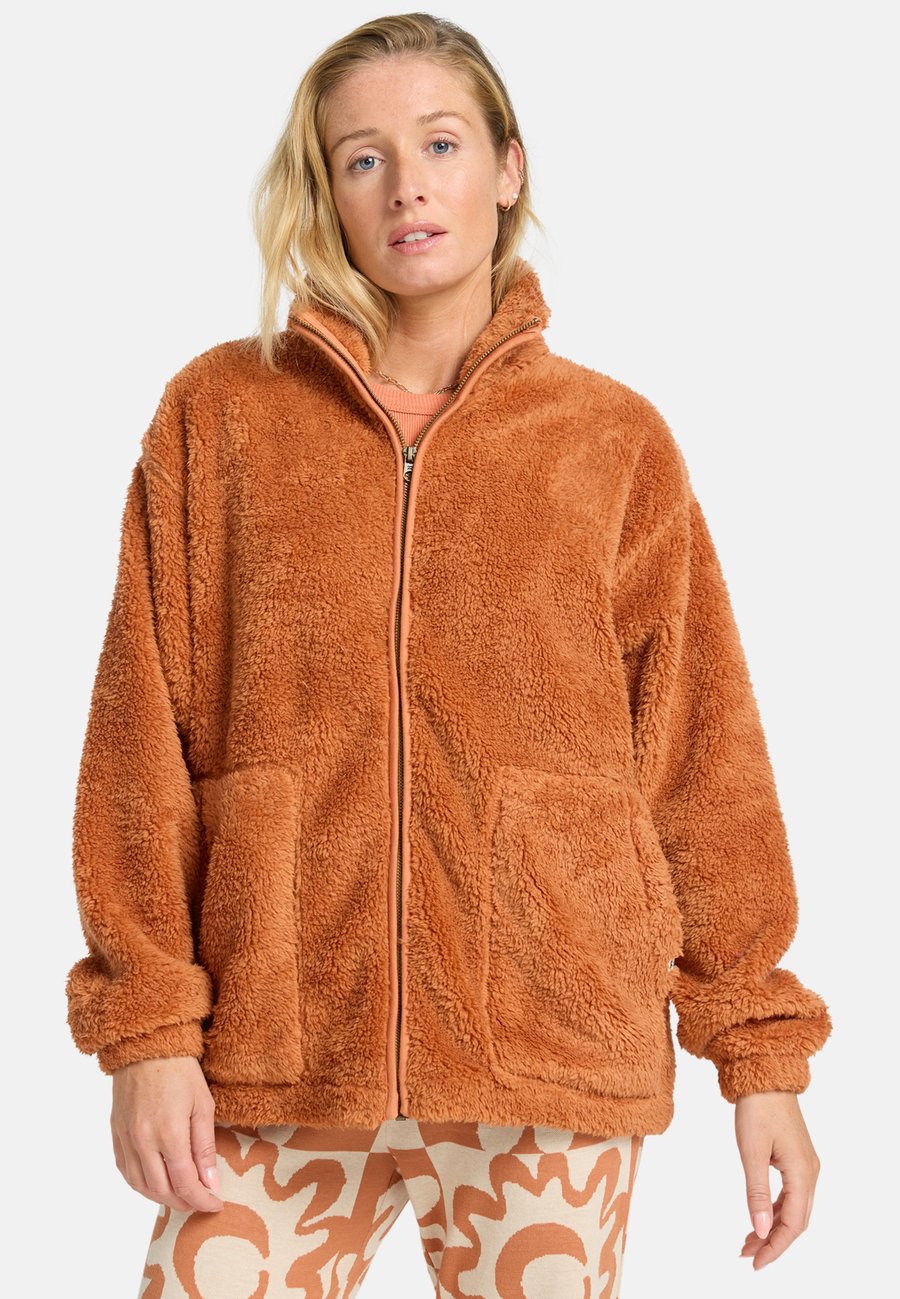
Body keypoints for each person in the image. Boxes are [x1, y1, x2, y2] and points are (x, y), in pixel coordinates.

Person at [65, 13, 832, 1297]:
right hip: (276, 1044)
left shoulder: (611, 442)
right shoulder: (222, 416)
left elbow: (704, 761)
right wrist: (148, 1028)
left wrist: (760, 1060)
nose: (406, 186)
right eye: (362, 158)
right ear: (326, 193)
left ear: (507, 169)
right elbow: (138, 739)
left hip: (546, 1050)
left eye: (440, 144)